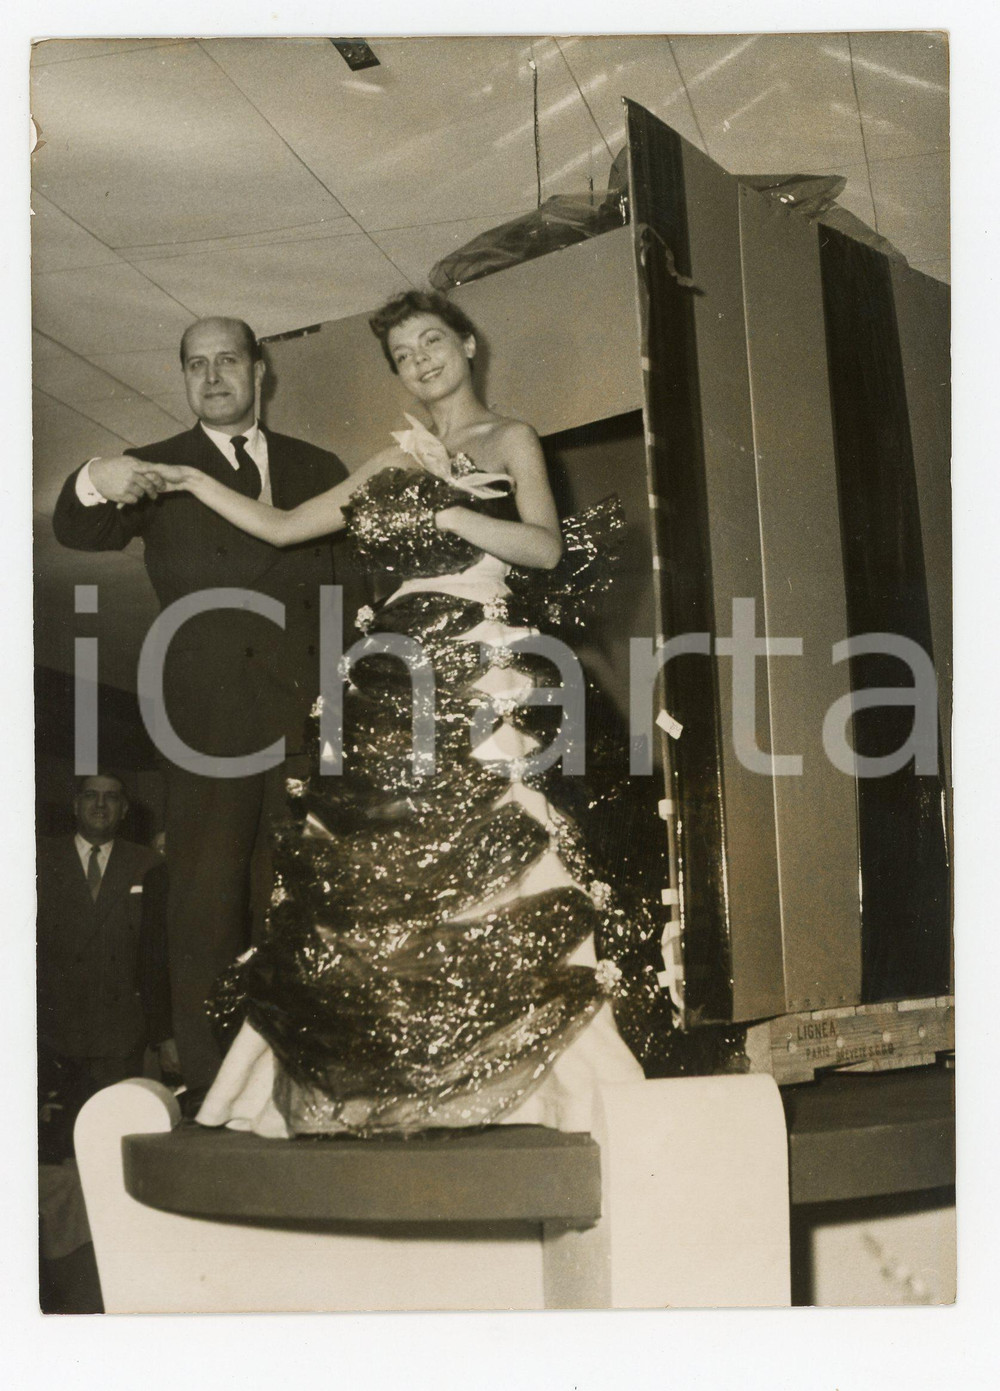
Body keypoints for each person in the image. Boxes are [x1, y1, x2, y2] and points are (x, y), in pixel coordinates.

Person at [148, 291, 735, 1138]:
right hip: (396, 670)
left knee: (507, 849)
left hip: (485, 658)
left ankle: (538, 1085)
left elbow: (545, 544)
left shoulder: (510, 438)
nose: (419, 359)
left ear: (466, 344)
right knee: (373, 869)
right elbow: (281, 528)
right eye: (401, 352)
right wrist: (195, 477)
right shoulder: (393, 458)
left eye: (431, 340)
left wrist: (448, 508)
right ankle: (399, 1075)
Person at [52, 318, 356, 1100]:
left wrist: (340, 699)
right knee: (204, 913)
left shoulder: (318, 467)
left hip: (300, 723)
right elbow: (75, 524)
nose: (213, 375)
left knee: (291, 905)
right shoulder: (155, 469)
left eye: (228, 360)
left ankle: (301, 1084)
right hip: (203, 728)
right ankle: (218, 1094)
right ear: (184, 377)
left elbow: (347, 590)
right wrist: (96, 471)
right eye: (196, 364)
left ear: (261, 369)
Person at [36, 773, 170, 1095]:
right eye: (90, 795)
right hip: (52, 1033)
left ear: (124, 809)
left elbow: (159, 954)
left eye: (110, 797)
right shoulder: (37, 857)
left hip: (120, 1038)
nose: (100, 804)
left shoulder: (149, 864)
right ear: (75, 805)